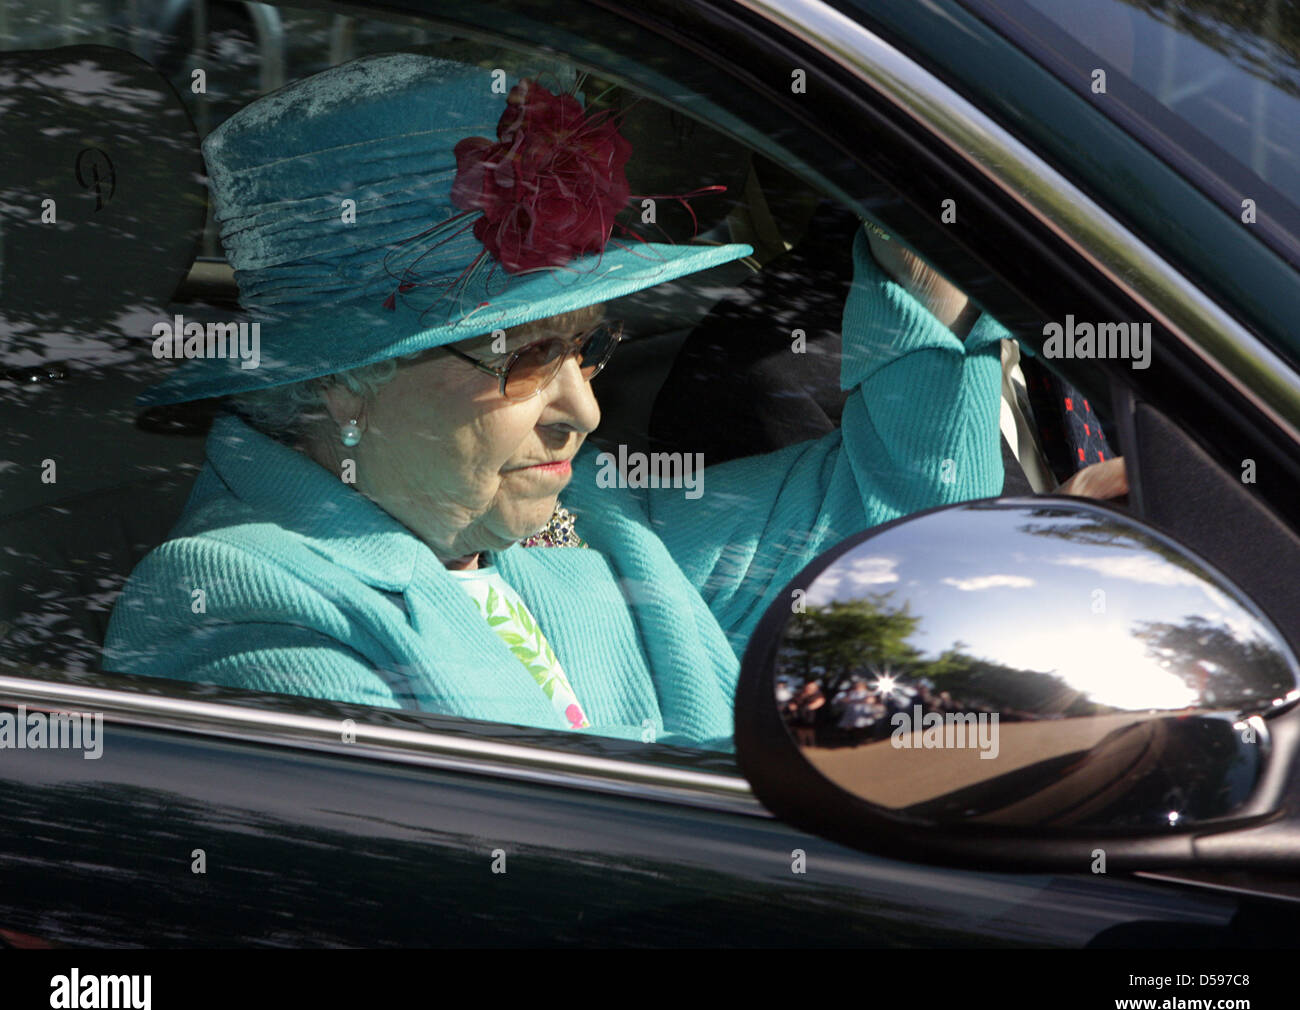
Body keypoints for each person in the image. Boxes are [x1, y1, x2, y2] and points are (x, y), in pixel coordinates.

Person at [102, 52, 1119, 748]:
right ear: (337, 384)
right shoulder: (241, 595)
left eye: (584, 353)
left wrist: (920, 273)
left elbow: (888, 538)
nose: (582, 413)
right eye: (521, 359)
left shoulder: (589, 530)